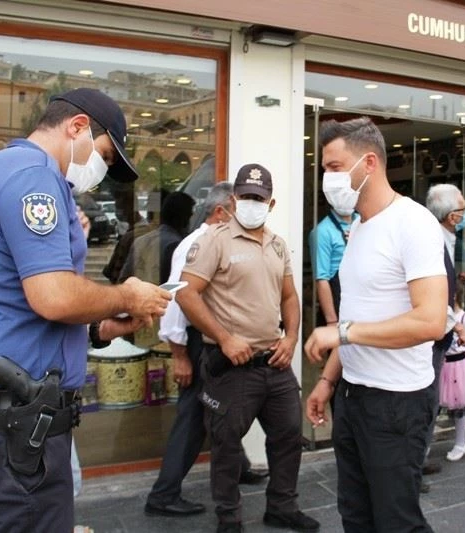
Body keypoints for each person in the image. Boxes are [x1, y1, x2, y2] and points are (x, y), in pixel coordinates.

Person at [0, 87, 171, 533]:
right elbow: (54, 296)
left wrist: (102, 326)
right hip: (9, 423)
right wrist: (126, 295)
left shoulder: (29, 174)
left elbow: (24, 303)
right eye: (104, 154)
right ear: (77, 126)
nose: (101, 170)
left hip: (16, 419)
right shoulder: (31, 173)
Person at [304, 116, 447, 532]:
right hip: (353, 395)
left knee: (396, 521)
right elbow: (357, 314)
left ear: (368, 163)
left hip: (397, 403)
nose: (327, 178)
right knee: (356, 514)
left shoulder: (413, 222)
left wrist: (342, 334)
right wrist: (329, 379)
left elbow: (430, 320)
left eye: (334, 167)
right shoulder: (359, 227)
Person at [177, 164, 319, 533]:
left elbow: (290, 296)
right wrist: (224, 337)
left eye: (259, 198)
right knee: (225, 445)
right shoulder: (214, 240)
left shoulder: (277, 244)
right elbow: (186, 294)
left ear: (270, 203)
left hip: (274, 361)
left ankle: (282, 507)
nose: (251, 203)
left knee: (288, 436)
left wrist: (290, 339)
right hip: (231, 365)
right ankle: (229, 517)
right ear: (234, 199)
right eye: (245, 196)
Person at [144, 182, 266, 519]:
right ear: (220, 211)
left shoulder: (222, 243)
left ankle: (240, 467)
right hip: (197, 344)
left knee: (224, 406)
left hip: (219, 341)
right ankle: (163, 494)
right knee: (194, 418)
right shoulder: (195, 244)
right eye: (237, 210)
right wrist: (180, 356)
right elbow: (174, 303)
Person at [420, 183, 465, 485]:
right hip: (430, 337)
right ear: (452, 216)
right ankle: (412, 466)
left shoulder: (445, 238)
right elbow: (434, 295)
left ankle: (420, 458)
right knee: (424, 403)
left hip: (439, 334)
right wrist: (459, 325)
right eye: (462, 209)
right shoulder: (432, 242)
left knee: (429, 402)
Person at [119, 191, 195, 285]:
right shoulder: (176, 245)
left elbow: (124, 279)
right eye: (190, 216)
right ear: (184, 218)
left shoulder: (139, 241)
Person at [439, 288, 465, 462]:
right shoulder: (440, 316)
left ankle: (460, 443)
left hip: (460, 364)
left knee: (459, 406)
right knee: (435, 405)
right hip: (442, 363)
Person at [309, 206, 356, 327]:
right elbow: (321, 279)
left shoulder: (363, 222)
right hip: (338, 307)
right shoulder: (322, 231)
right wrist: (332, 322)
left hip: (363, 308)